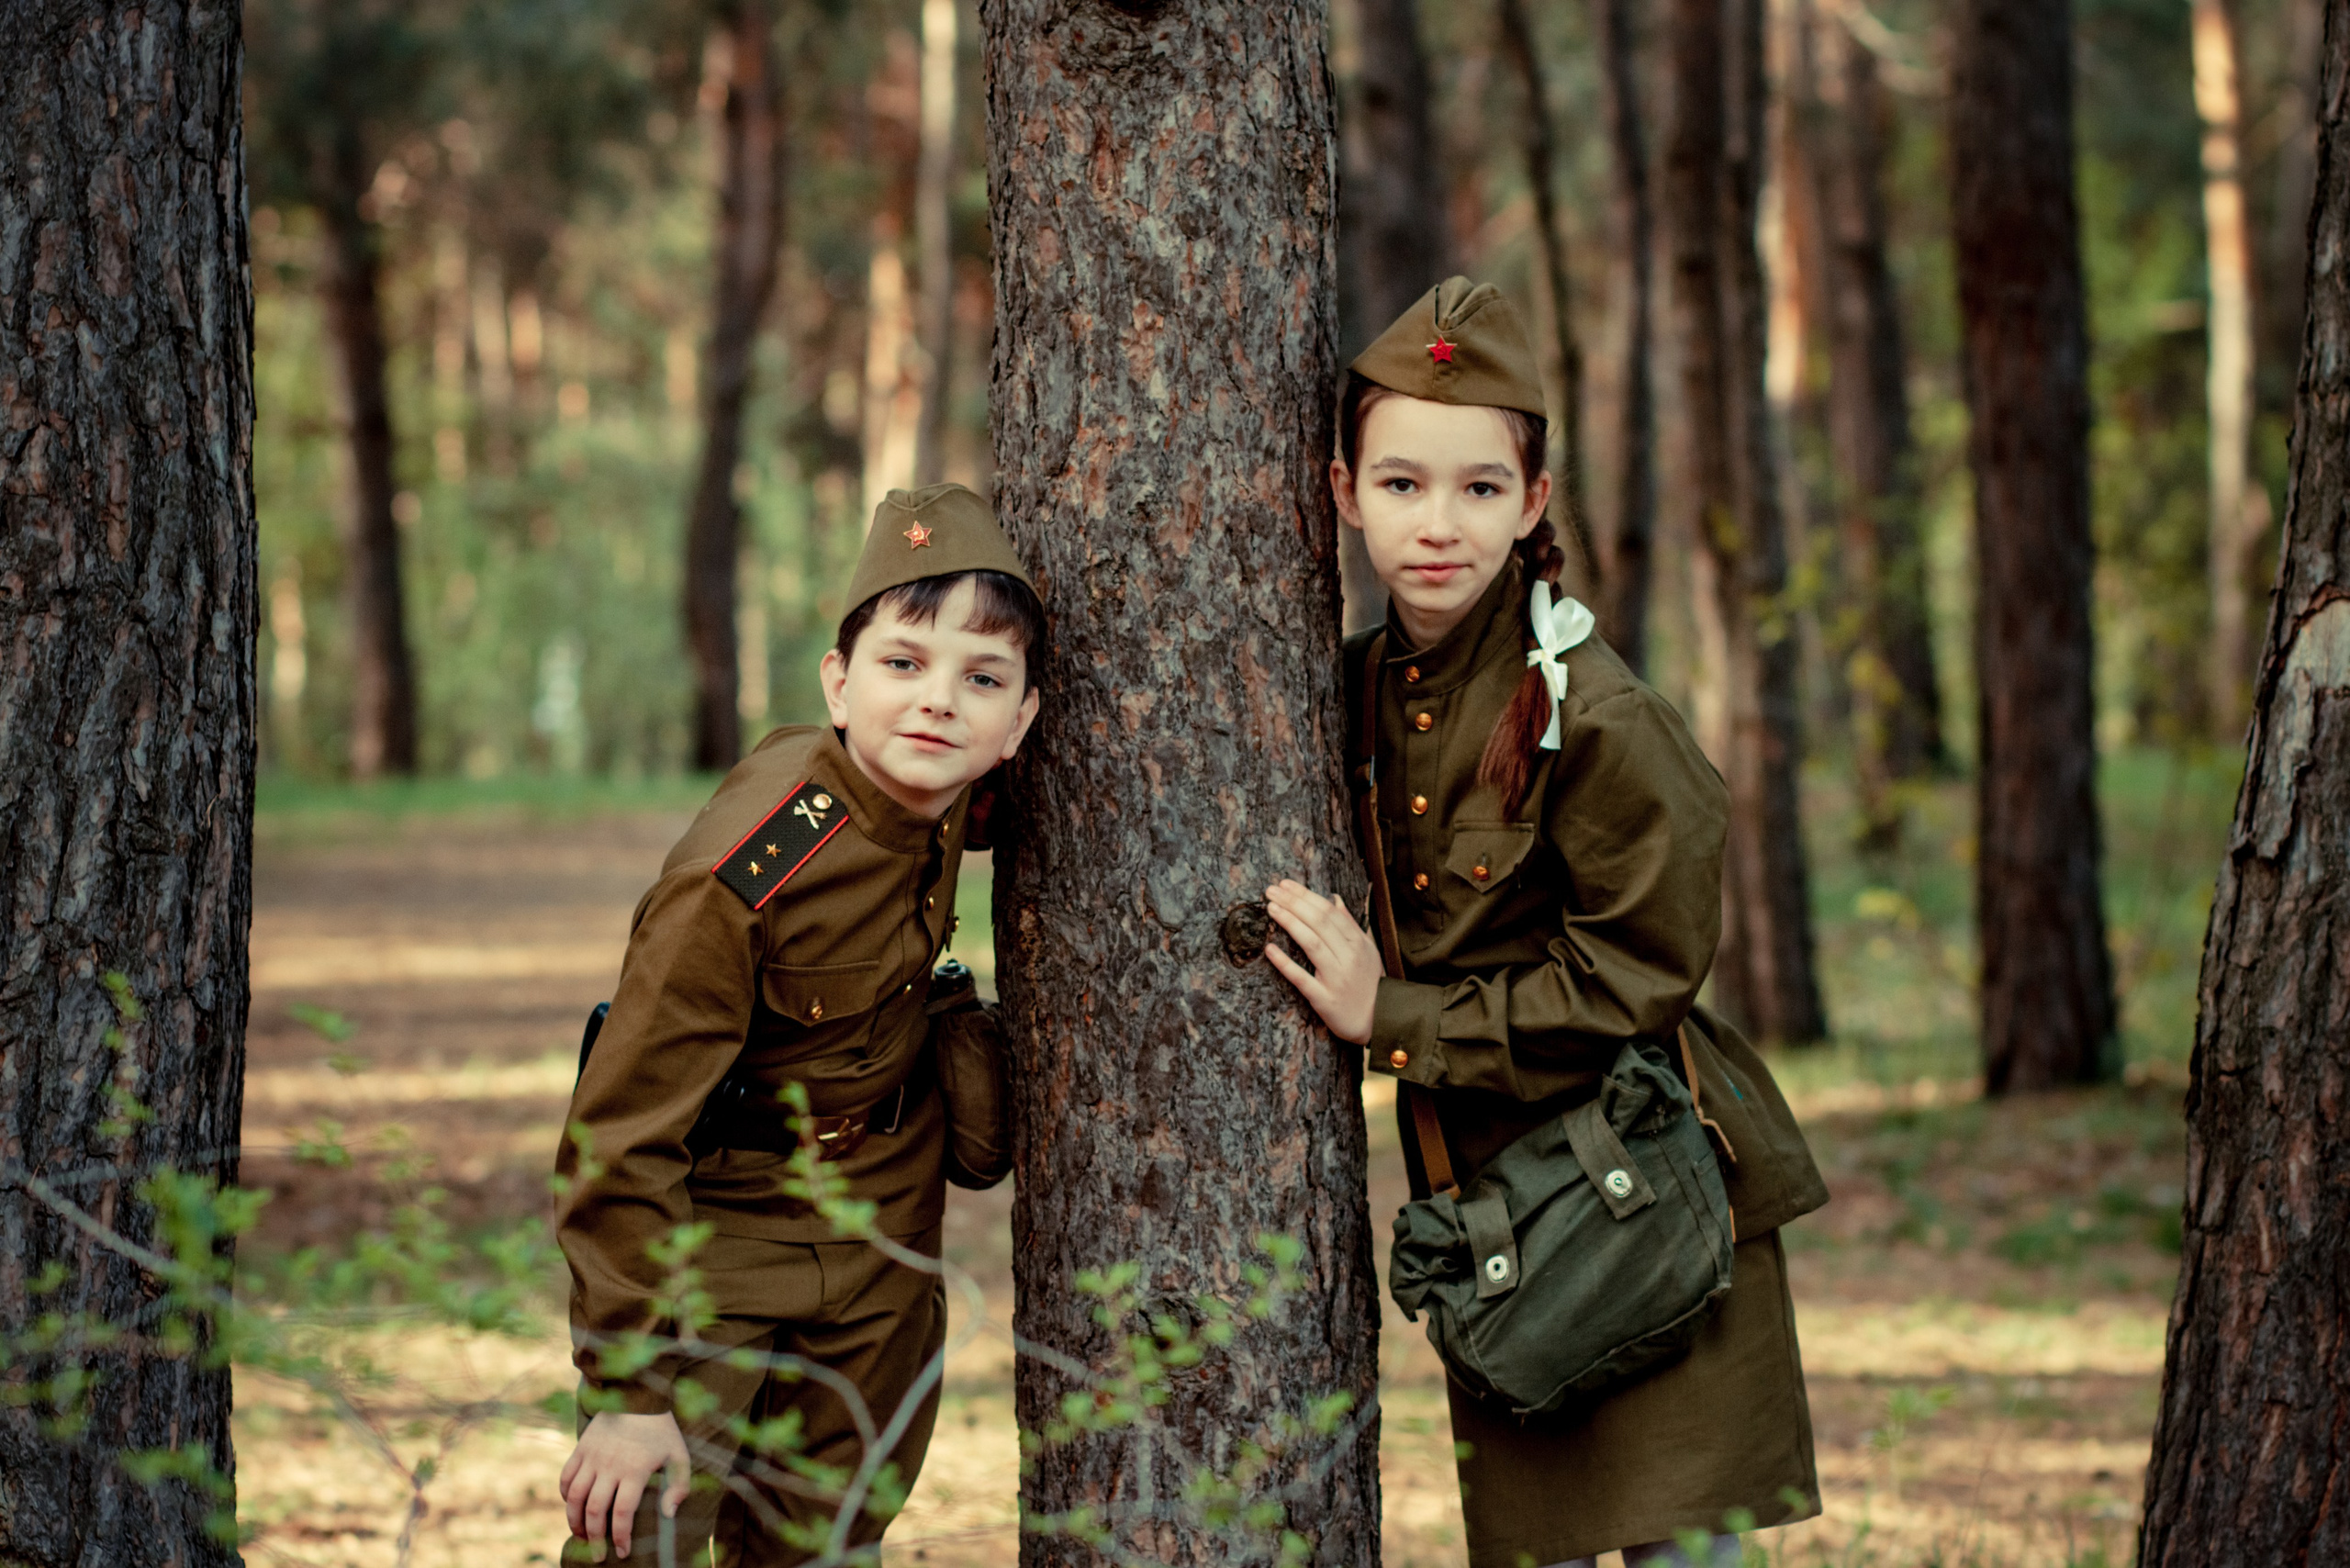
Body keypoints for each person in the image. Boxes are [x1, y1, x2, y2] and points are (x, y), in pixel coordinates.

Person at [1262, 278, 1830, 1568]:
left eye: (1478, 489)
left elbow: (1639, 981)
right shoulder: (1338, 694)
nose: (1439, 524)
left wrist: (1385, 1018)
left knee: (1691, 1550)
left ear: (1534, 502)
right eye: (1401, 485)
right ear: (1343, 492)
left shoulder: (1598, 715)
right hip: (1499, 1223)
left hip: (1648, 1186)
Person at [553, 482, 1036, 1563]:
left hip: (881, 1240)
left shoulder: (945, 786)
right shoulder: (746, 873)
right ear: (838, 682)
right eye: (902, 663)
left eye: (982, 678)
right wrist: (629, 1390)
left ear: (1022, 722)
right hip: (717, 1247)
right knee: (648, 1538)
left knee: (826, 1544)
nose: (938, 701)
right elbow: (619, 1130)